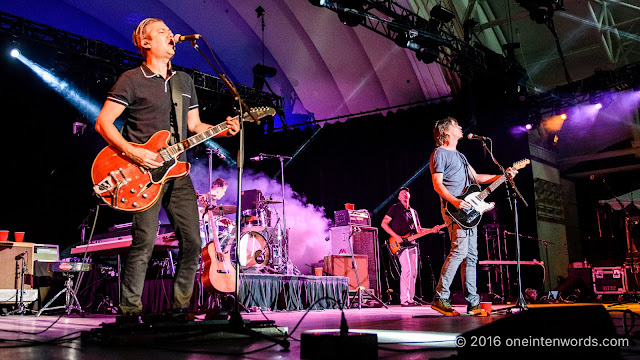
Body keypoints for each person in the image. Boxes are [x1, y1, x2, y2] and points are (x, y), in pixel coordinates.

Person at [95, 18, 240, 318]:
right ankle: (129, 312)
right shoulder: (132, 79)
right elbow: (103, 123)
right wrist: (135, 152)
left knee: (194, 242)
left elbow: (195, 126)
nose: (172, 35)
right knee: (144, 241)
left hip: (178, 172)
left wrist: (224, 130)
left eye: (170, 32)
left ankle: (180, 310)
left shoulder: (184, 81)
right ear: (146, 43)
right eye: (162, 32)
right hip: (142, 173)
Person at [429, 117, 516, 316]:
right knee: (459, 251)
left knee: (471, 256)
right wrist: (455, 201)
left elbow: (476, 179)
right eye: (456, 125)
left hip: (470, 210)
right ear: (446, 132)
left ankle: (473, 303)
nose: (460, 127)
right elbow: (437, 184)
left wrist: (503, 176)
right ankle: (440, 297)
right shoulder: (439, 153)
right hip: (455, 209)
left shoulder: (460, 156)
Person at [381, 187, 425, 307]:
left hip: (413, 244)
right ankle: (404, 300)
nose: (405, 194)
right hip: (400, 244)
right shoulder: (395, 208)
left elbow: (419, 230)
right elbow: (384, 224)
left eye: (406, 193)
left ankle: (411, 299)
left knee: (414, 272)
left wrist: (432, 230)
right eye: (402, 193)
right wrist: (396, 236)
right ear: (399, 197)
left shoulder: (413, 212)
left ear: (409, 196)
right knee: (407, 270)